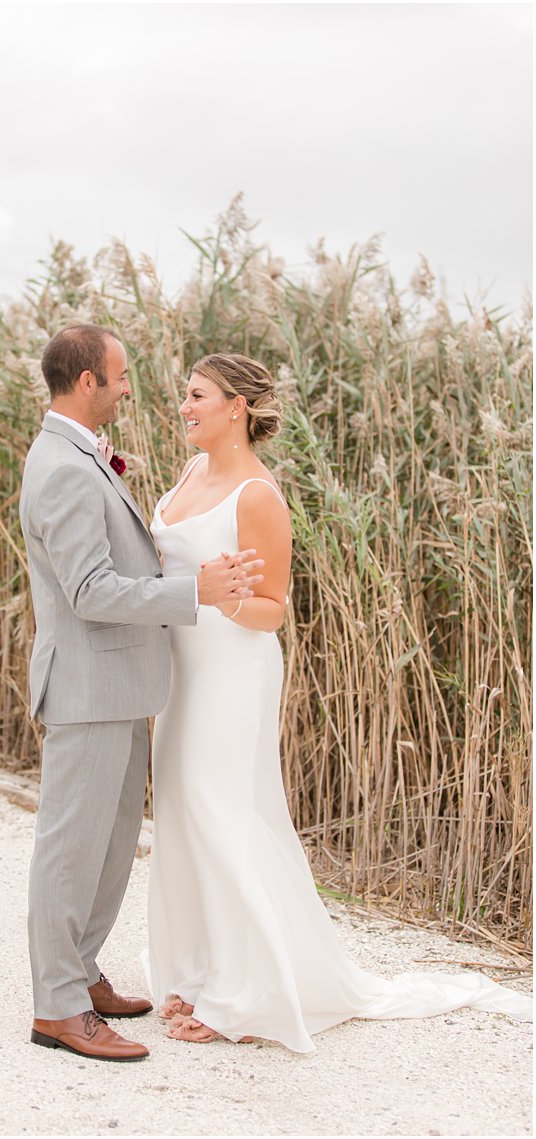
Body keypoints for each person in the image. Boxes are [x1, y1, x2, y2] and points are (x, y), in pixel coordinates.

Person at [146, 352, 532, 1050]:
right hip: (179, 671)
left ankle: (240, 992)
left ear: (237, 405)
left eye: (197, 395)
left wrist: (226, 594)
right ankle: (198, 968)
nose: (183, 406)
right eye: (185, 395)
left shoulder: (257, 494)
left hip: (232, 672)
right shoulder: (190, 473)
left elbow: (274, 609)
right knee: (179, 807)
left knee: (221, 811)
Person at [17, 324, 263, 1062]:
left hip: (120, 682)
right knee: (71, 846)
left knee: (111, 842)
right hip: (89, 684)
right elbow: (90, 589)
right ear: (87, 381)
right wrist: (194, 591)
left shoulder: (82, 455)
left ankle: (82, 971)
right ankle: (57, 1006)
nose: (129, 388)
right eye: (120, 376)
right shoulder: (61, 465)